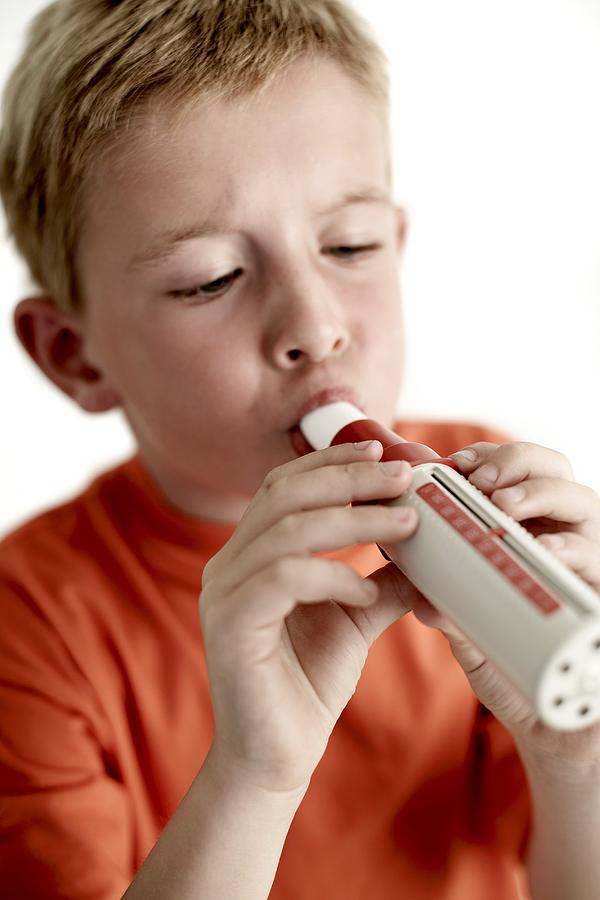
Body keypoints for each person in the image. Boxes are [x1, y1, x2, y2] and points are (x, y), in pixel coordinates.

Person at [0, 1, 599, 898]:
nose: (315, 327)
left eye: (347, 245)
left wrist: (579, 759)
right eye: (212, 279)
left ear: (396, 245)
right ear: (76, 356)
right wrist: (254, 775)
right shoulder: (32, 622)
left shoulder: (497, 520)